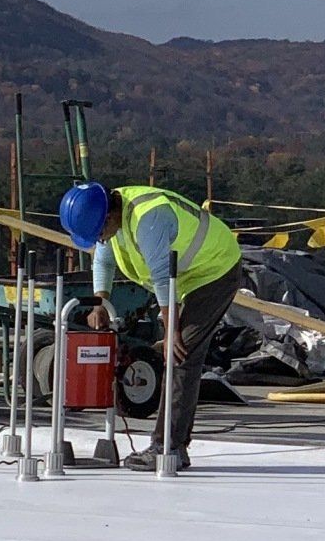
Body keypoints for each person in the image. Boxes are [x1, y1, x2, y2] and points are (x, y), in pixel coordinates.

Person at [60, 179, 243, 470]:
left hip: (214, 271)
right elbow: (104, 262)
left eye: (99, 234)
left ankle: (168, 447)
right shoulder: (111, 218)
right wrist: (99, 303)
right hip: (185, 279)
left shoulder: (148, 219)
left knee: (181, 354)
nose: (100, 240)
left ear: (109, 217)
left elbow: (162, 278)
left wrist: (172, 331)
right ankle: (171, 445)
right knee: (177, 349)